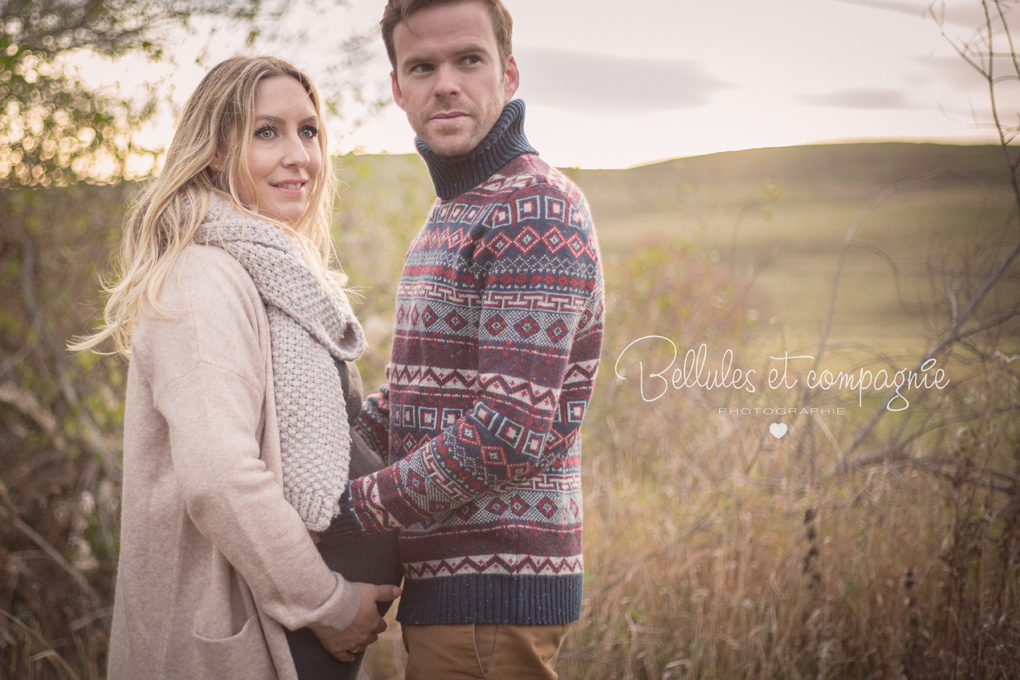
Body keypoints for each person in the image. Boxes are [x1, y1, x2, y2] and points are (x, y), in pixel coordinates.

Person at [71, 56, 401, 680]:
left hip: (285, 626)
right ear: (217, 152)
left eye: (309, 132)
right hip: (248, 633)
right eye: (267, 132)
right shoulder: (200, 280)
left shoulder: (275, 275)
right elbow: (219, 477)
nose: (299, 154)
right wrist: (328, 605)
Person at [328, 1, 605, 678]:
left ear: (508, 73)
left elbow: (507, 427)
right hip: (453, 586)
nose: (445, 82)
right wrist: (316, 453)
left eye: (468, 60)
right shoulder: (457, 208)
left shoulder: (534, 207)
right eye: (422, 66)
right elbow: (421, 399)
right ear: (397, 87)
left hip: (494, 589)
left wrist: (350, 507)